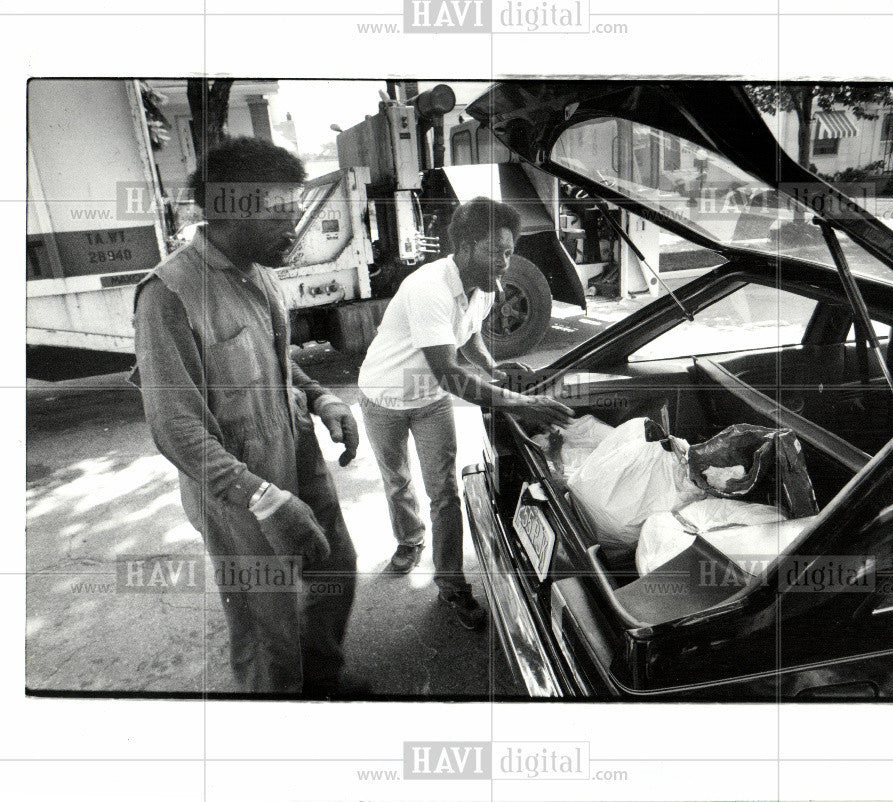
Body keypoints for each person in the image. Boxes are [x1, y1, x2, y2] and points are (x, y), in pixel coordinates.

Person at [132, 137, 361, 696]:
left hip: (296, 452)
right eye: (282, 212)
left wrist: (323, 398)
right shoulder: (168, 296)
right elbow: (175, 428)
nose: (296, 225)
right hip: (236, 492)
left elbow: (278, 367)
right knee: (267, 624)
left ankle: (322, 686)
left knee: (334, 570)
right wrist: (265, 499)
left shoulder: (257, 270)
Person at [358, 196, 574, 629]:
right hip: (382, 396)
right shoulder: (429, 288)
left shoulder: (487, 289)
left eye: (510, 252)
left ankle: (452, 586)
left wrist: (493, 370)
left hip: (428, 398)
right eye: (497, 252)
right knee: (397, 480)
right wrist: (524, 403)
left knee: (444, 491)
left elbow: (467, 335)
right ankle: (410, 539)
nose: (505, 263)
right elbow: (451, 376)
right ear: (465, 247)